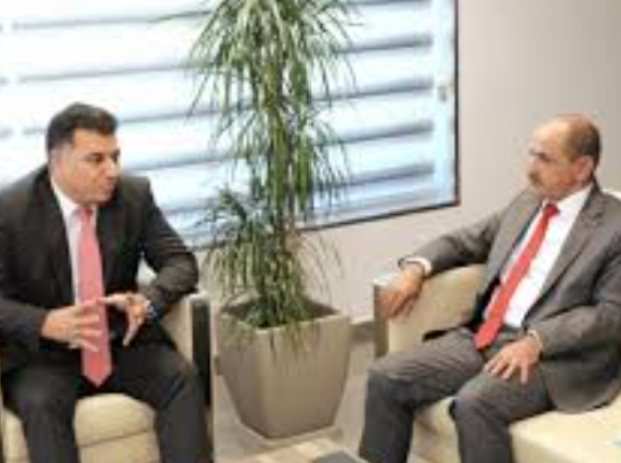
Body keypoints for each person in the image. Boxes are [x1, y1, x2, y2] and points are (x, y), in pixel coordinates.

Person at [359, 114, 621, 463]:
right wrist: (416, 267)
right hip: (484, 335)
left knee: (475, 403)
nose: (530, 169)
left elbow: (610, 313)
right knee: (385, 376)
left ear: (582, 167)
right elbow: (465, 241)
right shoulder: (528, 202)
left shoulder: (613, 226)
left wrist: (538, 340)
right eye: (531, 154)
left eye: (544, 159)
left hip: (552, 358)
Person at [0, 102, 210, 463]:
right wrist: (44, 322)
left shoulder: (134, 196)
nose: (112, 170)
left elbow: (180, 263)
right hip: (44, 356)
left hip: (119, 341)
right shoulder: (11, 211)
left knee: (182, 377)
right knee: (41, 404)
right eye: (96, 159)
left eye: (115, 157)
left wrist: (147, 302)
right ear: (56, 161)